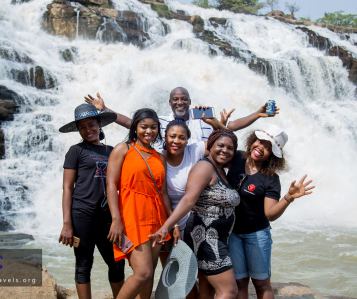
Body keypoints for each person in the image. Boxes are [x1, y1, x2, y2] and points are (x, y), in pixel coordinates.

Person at [149, 129, 241, 299]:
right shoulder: (204, 167)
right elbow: (188, 200)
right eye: (220, 145)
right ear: (210, 146)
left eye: (230, 148)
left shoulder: (221, 170)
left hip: (214, 237)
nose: (225, 150)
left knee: (207, 290)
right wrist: (166, 227)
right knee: (229, 291)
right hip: (206, 238)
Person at [226, 124, 315, 299]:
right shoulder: (236, 157)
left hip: (256, 235)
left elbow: (270, 214)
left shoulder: (271, 179)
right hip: (233, 232)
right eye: (260, 142)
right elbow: (217, 146)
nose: (261, 148)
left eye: (268, 148)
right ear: (253, 140)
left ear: (273, 156)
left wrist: (289, 197)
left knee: (261, 284)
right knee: (240, 283)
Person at [58, 104, 125, 299]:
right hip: (82, 215)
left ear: (99, 124)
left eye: (91, 125)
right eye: (82, 127)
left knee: (116, 262)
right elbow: (67, 188)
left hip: (108, 218)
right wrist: (67, 224)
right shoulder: (76, 151)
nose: (88, 130)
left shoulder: (113, 151)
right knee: (83, 263)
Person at [106, 108, 173, 299]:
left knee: (149, 273)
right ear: (135, 127)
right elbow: (111, 185)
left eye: (153, 128)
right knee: (142, 273)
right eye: (144, 127)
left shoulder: (160, 157)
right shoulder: (123, 149)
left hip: (157, 220)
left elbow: (163, 192)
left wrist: (172, 223)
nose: (148, 131)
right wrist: (115, 220)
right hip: (131, 218)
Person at [84, 88, 279, 150]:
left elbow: (230, 127)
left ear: (189, 102)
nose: (180, 102)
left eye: (184, 99)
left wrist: (257, 114)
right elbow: (131, 123)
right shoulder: (160, 120)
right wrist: (105, 109)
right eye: (176, 99)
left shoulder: (202, 116)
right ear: (170, 102)